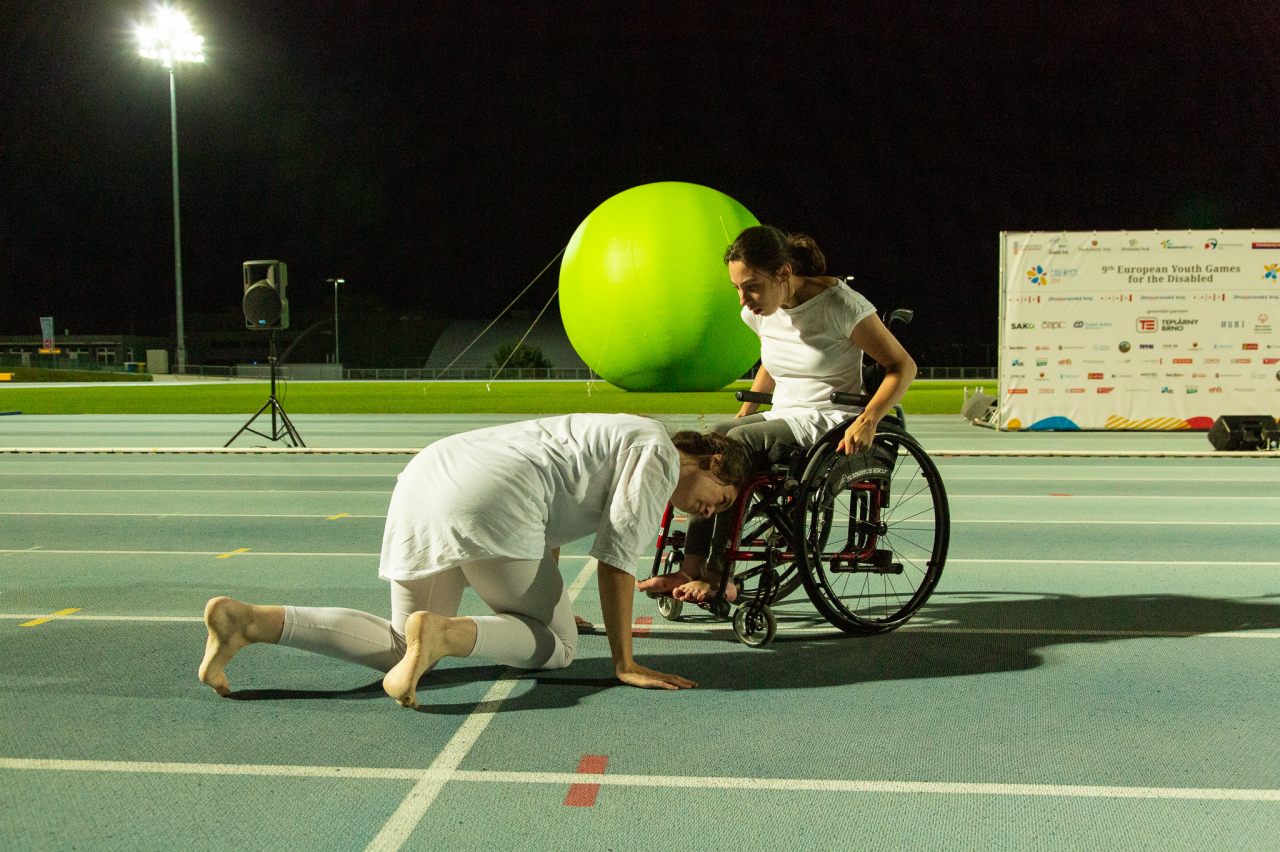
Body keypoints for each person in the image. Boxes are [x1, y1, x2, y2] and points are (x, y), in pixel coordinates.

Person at [198, 413, 750, 708]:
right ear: (712, 460)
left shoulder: (620, 431)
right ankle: (444, 632)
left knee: (400, 646)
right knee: (560, 647)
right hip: (493, 495)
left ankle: (250, 622)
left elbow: (554, 516)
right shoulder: (659, 455)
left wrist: (547, 595)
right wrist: (624, 663)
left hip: (428, 475)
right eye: (720, 500)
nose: (707, 512)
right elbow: (617, 559)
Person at [638, 225, 917, 603]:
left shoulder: (840, 305)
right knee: (714, 437)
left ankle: (720, 575)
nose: (743, 300)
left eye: (751, 286)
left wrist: (868, 420)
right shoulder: (758, 311)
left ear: (783, 273)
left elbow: (902, 366)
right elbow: (775, 358)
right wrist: (745, 411)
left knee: (736, 443)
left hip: (828, 417)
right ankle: (690, 566)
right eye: (737, 288)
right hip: (785, 413)